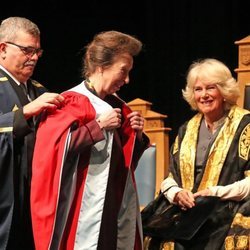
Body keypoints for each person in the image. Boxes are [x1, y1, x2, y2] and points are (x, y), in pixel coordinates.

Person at [31, 30, 150, 250]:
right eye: (123, 71)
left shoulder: (118, 106)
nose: (127, 80)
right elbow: (51, 154)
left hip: (111, 203)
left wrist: (137, 135)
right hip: (78, 208)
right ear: (101, 67)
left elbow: (122, 165)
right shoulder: (69, 102)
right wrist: (98, 126)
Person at [144, 58, 250, 250]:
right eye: (198, 89)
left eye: (211, 88)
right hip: (189, 210)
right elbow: (169, 179)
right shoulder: (187, 130)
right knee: (156, 236)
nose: (204, 95)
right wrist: (177, 194)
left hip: (226, 207)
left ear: (224, 91)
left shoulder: (246, 126)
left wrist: (215, 192)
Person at [0, 16, 64, 249]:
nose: (34, 57)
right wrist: (25, 112)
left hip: (36, 197)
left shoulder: (38, 90)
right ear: (3, 48)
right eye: (27, 50)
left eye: (37, 51)